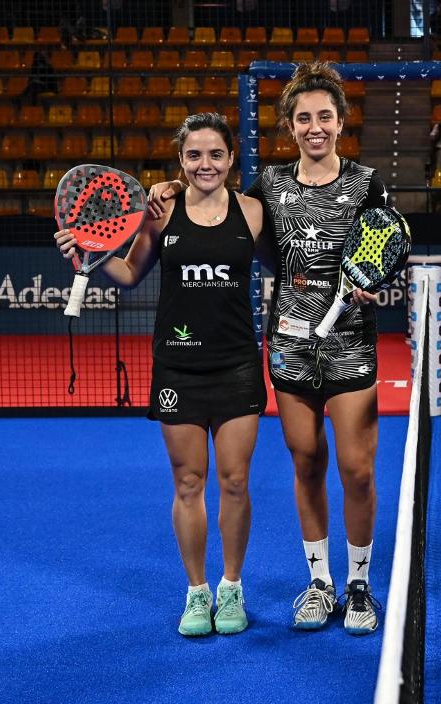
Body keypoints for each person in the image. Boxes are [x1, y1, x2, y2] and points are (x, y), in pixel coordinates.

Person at [148, 63, 389, 636]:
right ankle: (319, 581)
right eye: (304, 117)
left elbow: (384, 246)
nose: (315, 127)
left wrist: (372, 282)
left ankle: (358, 583)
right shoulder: (268, 190)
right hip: (290, 349)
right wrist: (169, 188)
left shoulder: (368, 183)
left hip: (350, 345)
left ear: (341, 122)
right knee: (306, 462)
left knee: (357, 470)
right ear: (289, 125)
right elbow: (214, 207)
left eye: (325, 116)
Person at [53, 113, 267, 637]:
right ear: (181, 160)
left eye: (215, 154)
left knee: (235, 482)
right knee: (189, 482)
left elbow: (285, 267)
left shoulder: (253, 212)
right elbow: (129, 274)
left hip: (238, 365)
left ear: (231, 158)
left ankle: (231, 586)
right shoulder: (160, 211)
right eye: (194, 155)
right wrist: (88, 255)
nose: (205, 164)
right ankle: (197, 591)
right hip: (177, 366)